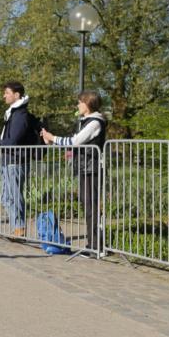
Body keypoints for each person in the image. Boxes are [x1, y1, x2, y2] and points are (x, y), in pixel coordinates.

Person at [40, 91, 107, 253]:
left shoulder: (95, 122)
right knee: (88, 206)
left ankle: (95, 246)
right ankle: (93, 245)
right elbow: (73, 143)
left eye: (80, 102)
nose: (77, 105)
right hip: (85, 168)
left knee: (91, 207)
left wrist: (52, 137)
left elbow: (75, 141)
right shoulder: (87, 121)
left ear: (88, 104)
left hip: (91, 168)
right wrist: (52, 141)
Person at [0, 82, 35, 238]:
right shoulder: (13, 113)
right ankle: (17, 227)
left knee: (14, 196)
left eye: (7, 93)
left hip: (16, 161)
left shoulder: (20, 115)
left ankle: (19, 229)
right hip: (8, 160)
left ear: (17, 95)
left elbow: (13, 140)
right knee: (5, 197)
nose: (4, 96)